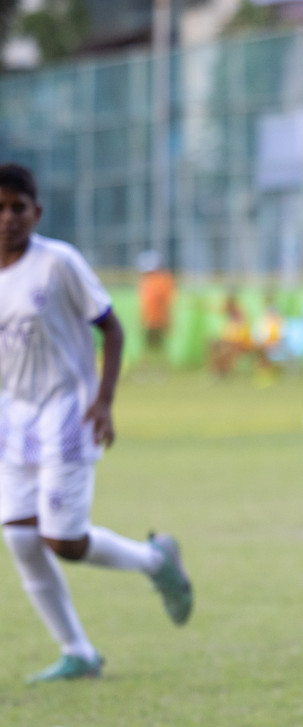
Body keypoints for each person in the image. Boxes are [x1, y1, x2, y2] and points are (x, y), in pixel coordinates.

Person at [0, 163, 193, 682]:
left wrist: (104, 401)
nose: (7, 218)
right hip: (12, 418)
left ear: (36, 212)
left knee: (64, 542)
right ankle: (78, 651)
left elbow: (111, 327)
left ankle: (156, 561)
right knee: (19, 539)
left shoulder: (58, 263)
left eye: (17, 207)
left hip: (67, 410)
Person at [136, 250, 175, 358]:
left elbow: (166, 302)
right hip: (149, 320)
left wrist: (167, 320)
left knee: (158, 347)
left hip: (159, 321)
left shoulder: (163, 280)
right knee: (150, 347)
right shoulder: (146, 280)